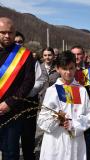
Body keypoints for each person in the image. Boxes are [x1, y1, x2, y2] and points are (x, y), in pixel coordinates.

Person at [37, 51, 90, 160]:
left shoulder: (81, 90)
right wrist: (57, 118)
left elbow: (87, 116)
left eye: (71, 68)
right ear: (58, 69)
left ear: (76, 67)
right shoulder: (51, 91)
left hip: (75, 141)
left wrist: (73, 124)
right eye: (64, 69)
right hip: (55, 141)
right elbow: (42, 120)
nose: (68, 72)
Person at [0, 17, 35, 160]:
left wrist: (9, 103)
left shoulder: (25, 55)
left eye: (11, 32)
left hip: (12, 111)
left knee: (10, 153)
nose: (7, 36)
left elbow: (28, 83)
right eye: (3, 32)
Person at [15, 31, 45, 160]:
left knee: (28, 136)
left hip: (28, 102)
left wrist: (24, 92)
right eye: (15, 41)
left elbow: (39, 81)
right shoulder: (4, 59)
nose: (17, 44)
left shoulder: (31, 60)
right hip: (12, 105)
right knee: (12, 138)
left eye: (20, 42)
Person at [71, 45, 90, 160]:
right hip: (71, 112)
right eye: (74, 54)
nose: (76, 57)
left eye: (79, 54)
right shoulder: (67, 70)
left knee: (88, 144)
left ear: (84, 55)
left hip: (87, 112)